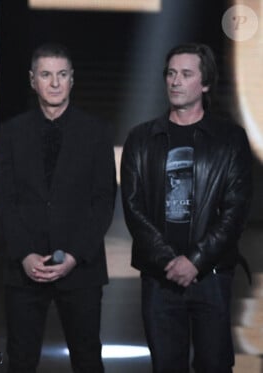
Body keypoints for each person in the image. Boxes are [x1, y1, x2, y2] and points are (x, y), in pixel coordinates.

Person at [120, 43, 253, 372]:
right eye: (171, 73)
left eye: (186, 74)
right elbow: (133, 207)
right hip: (159, 276)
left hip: (211, 275)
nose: (175, 81)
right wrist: (169, 261)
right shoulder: (141, 138)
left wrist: (195, 261)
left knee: (214, 365)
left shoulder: (230, 138)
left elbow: (236, 210)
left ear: (205, 83)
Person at [0, 42, 116, 373]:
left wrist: (75, 254)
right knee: (20, 359)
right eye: (46, 75)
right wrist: (24, 254)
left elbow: (104, 199)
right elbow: (5, 198)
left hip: (82, 267)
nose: (54, 83)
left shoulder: (96, 132)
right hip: (25, 267)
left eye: (62, 75)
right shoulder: (13, 131)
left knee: (88, 357)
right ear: (32, 80)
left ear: (72, 79)